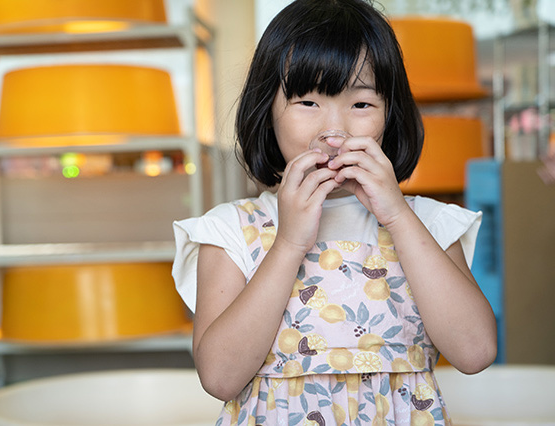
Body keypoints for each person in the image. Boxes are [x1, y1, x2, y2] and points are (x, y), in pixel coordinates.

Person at [172, 0, 497, 424]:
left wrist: (398, 216)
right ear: (267, 111)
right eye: (307, 102)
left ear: (390, 116)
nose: (334, 130)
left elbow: (475, 352)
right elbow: (219, 376)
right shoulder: (230, 230)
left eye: (361, 105)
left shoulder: (430, 224)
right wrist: (288, 242)